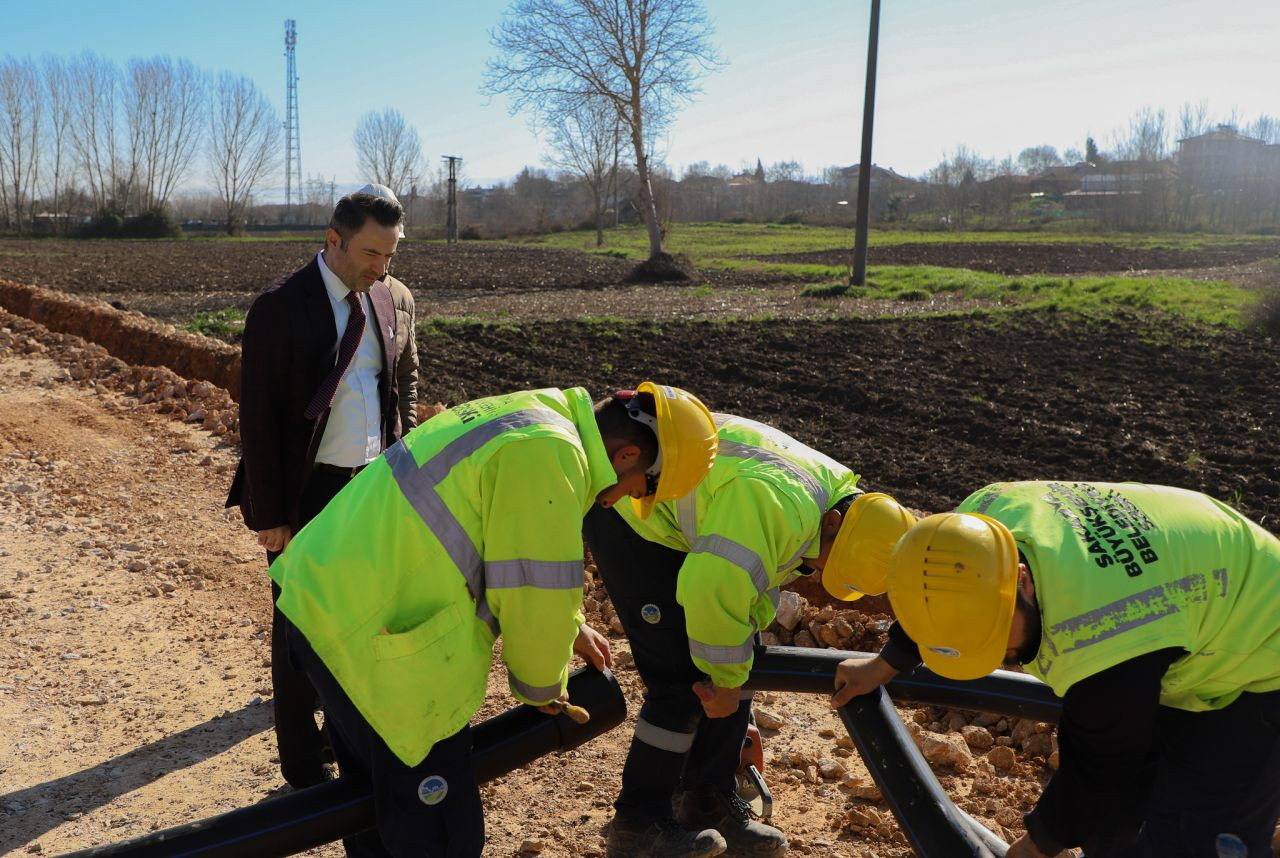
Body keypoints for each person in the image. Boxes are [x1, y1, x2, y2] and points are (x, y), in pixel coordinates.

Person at [272, 382, 719, 858]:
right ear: (629, 455)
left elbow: (497, 541)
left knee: (374, 807)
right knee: (442, 833)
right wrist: (544, 686)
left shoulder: (536, 414)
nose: (623, 500)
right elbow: (534, 589)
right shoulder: (550, 454)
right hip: (369, 635)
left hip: (329, 600)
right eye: (642, 490)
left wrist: (570, 627)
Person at [829, 481, 1280, 858]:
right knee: (1119, 822)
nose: (999, 655)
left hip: (1259, 656)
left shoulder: (1103, 631)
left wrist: (1037, 845)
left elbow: (1101, 763)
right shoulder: (974, 529)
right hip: (1190, 609)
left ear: (1021, 580)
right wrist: (883, 666)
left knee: (1199, 836)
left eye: (995, 634)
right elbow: (940, 597)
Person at [584, 413, 916, 858]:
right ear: (834, 523)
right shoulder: (782, 505)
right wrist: (723, 680)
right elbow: (711, 589)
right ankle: (637, 825)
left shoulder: (829, 503)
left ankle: (707, 800)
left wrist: (733, 673)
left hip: (691, 521)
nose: (817, 570)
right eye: (826, 562)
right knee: (681, 680)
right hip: (632, 511)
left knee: (741, 655)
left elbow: (750, 584)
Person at [225, 190, 412, 788]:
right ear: (333, 239)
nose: (380, 267)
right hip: (308, 491)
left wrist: (400, 463)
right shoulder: (280, 308)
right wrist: (272, 513)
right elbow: (255, 416)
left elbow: (404, 381)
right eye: (369, 252)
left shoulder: (395, 297)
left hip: (372, 487)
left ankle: (347, 737)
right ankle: (303, 769)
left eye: (389, 253)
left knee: (366, 619)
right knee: (297, 627)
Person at [355, 183, 419, 436]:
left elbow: (406, 373)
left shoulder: (401, 297)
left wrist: (409, 434)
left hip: (382, 441)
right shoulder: (329, 290)